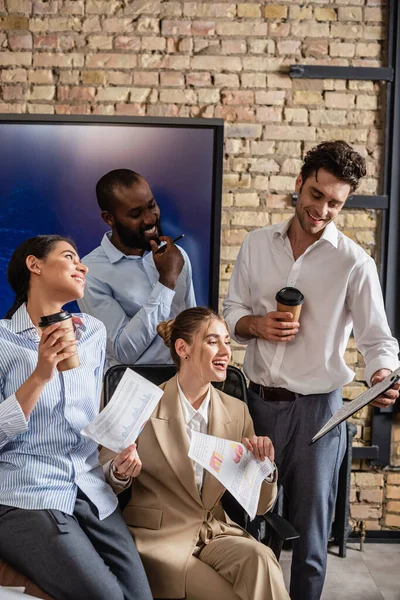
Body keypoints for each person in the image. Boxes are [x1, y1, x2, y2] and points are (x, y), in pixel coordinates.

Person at [223, 140, 400, 600]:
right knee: (248, 522)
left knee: (311, 536)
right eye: (316, 195)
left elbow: (378, 341)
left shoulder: (354, 263)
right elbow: (231, 314)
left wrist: (383, 374)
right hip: (256, 407)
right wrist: (255, 324)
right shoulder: (257, 244)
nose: (322, 210)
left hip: (320, 415)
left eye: (335, 203)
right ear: (300, 183)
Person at [0, 235, 152, 600]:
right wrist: (40, 374)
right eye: (70, 257)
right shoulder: (3, 340)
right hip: (27, 493)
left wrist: (117, 458)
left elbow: (90, 421)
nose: (82, 265)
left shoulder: (92, 333)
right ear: (34, 265)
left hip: (91, 490)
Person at [102, 307, 290, 600]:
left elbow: (262, 506)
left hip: (214, 531)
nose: (225, 351)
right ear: (183, 348)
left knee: (261, 559)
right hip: (158, 539)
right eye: (213, 341)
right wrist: (119, 471)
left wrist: (265, 471)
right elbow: (101, 479)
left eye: (227, 341)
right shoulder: (141, 403)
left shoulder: (236, 411)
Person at [78, 169, 196, 366]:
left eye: (152, 206)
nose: (150, 219)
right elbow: (123, 352)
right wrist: (166, 282)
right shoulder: (91, 273)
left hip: (184, 385)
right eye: (135, 214)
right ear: (109, 218)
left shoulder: (176, 255)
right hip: (132, 390)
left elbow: (194, 327)